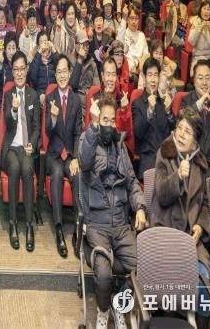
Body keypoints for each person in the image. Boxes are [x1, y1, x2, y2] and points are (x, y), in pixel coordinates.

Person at [78, 93, 147, 329]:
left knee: (145, 266)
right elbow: (84, 162)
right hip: (97, 223)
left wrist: (140, 207)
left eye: (111, 120)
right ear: (98, 119)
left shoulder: (120, 147)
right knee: (104, 274)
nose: (108, 124)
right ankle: (103, 310)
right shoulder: (88, 139)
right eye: (104, 120)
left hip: (120, 222)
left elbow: (132, 182)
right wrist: (93, 126)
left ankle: (119, 303)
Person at [150, 107, 210, 278]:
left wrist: (200, 226)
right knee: (176, 276)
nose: (181, 135)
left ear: (195, 141)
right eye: (179, 128)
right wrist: (177, 176)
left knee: (202, 276)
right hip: (166, 231)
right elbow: (161, 195)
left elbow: (204, 203)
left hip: (190, 236)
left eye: (188, 131)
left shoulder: (200, 163)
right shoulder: (165, 152)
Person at [2, 51, 40, 252]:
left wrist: (31, 144)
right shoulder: (8, 95)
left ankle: (29, 225)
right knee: (15, 168)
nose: (19, 73)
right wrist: (14, 110)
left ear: (26, 70)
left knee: (26, 169)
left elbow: (36, 127)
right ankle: (13, 223)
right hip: (11, 147)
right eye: (15, 69)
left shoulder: (33, 95)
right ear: (12, 71)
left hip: (26, 148)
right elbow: (8, 124)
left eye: (22, 69)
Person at [44, 55, 82, 258]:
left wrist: (75, 157)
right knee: (57, 173)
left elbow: (78, 132)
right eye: (58, 72)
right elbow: (48, 132)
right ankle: (59, 229)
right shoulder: (50, 97)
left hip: (70, 155)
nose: (61, 75)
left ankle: (77, 229)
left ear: (69, 72)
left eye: (64, 71)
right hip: (54, 154)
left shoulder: (75, 99)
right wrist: (53, 118)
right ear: (55, 75)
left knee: (77, 175)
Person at [132, 58, 175, 181]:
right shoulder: (137, 103)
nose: (153, 79)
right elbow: (138, 133)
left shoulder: (164, 103)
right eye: (149, 75)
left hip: (166, 159)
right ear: (144, 77)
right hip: (148, 160)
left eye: (156, 75)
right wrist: (150, 110)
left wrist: (169, 112)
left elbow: (174, 131)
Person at [180, 60, 210, 164]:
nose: (204, 83)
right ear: (194, 81)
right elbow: (184, 123)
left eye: (208, 78)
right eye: (200, 78)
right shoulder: (186, 101)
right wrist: (199, 104)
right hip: (192, 160)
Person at [116, 4, 148, 76]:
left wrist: (139, 67)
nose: (134, 21)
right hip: (125, 70)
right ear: (127, 20)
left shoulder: (141, 35)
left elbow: (146, 54)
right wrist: (124, 18)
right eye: (132, 18)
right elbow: (118, 42)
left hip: (139, 70)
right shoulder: (123, 33)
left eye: (136, 19)